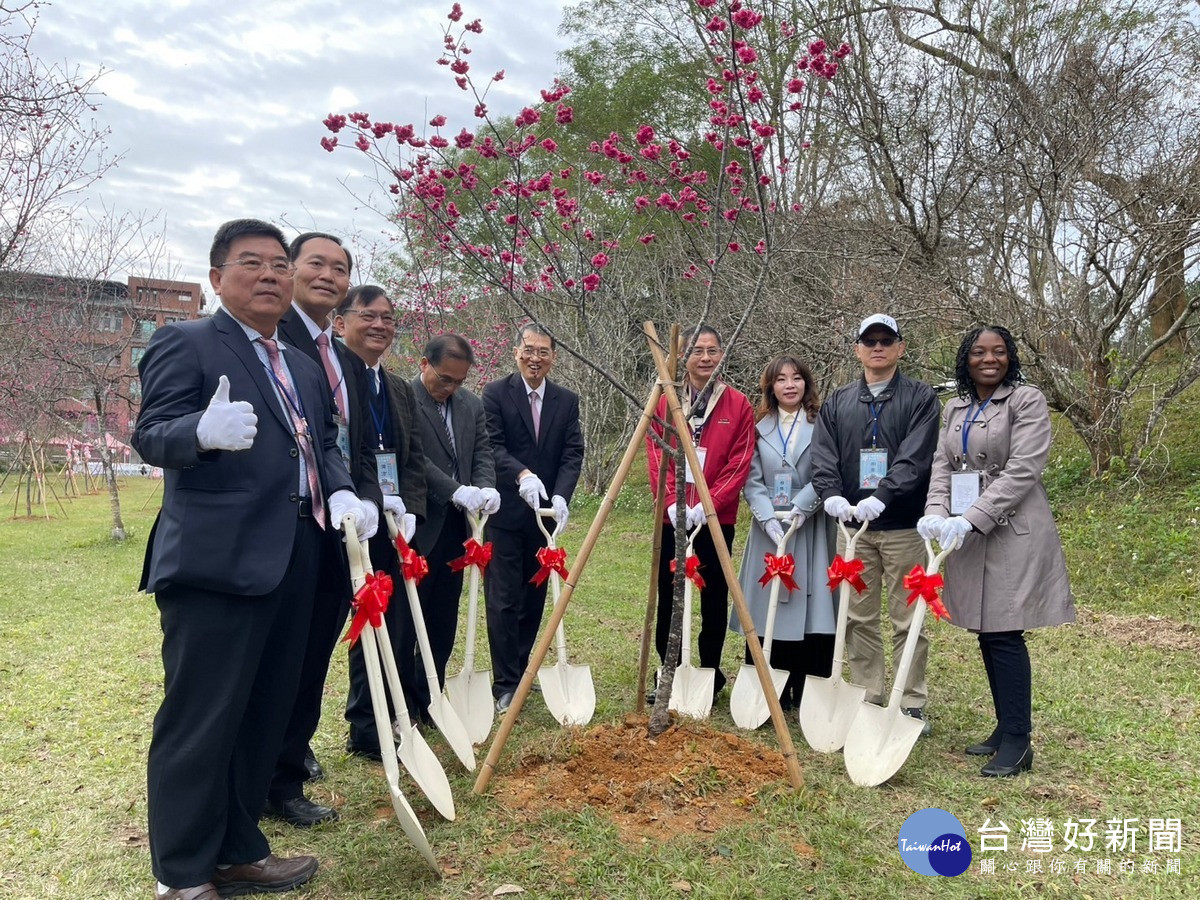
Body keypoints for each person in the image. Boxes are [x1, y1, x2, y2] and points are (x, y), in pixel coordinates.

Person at [133, 218, 377, 899]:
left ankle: (238, 849)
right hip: (218, 563)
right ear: (217, 278)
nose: (269, 275)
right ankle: (181, 875)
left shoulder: (298, 363)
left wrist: (345, 491)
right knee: (203, 719)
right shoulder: (184, 341)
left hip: (298, 552)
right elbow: (150, 433)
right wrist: (198, 433)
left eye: (277, 264)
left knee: (264, 714)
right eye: (252, 264)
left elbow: (322, 443)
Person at [265, 233, 386, 827]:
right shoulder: (270, 336)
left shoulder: (343, 359)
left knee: (312, 660)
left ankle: (285, 773)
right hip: (281, 531)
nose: (328, 275)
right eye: (317, 263)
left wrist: (367, 500)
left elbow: (354, 447)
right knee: (278, 663)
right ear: (291, 269)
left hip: (337, 534)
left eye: (340, 268)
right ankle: (264, 775)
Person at [918, 325, 1074, 777]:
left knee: (1005, 631)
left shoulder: (1027, 401)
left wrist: (972, 517)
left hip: (1010, 529)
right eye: (979, 352)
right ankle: (1005, 728)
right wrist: (936, 511)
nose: (990, 359)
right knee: (987, 630)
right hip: (968, 531)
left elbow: (1024, 468)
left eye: (999, 352)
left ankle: (1020, 740)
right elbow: (943, 464)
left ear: (1010, 358)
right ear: (965, 359)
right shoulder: (955, 407)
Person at [810, 313, 940, 733]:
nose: (878, 347)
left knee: (908, 617)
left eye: (887, 340)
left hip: (903, 525)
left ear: (901, 348)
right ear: (858, 350)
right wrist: (830, 493)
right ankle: (868, 695)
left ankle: (910, 700)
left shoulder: (921, 398)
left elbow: (916, 457)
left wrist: (883, 496)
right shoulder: (839, 400)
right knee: (856, 616)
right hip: (852, 530)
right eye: (870, 341)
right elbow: (823, 452)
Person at [331, 285, 429, 755]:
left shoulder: (396, 387)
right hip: (342, 517)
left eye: (388, 318)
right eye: (368, 316)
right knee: (342, 626)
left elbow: (411, 456)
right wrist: (367, 498)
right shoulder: (327, 375)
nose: (379, 326)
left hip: (390, 523)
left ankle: (378, 719)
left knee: (387, 620)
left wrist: (406, 506)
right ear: (340, 322)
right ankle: (348, 728)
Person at [646, 324, 755, 701]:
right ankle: (667, 669)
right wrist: (674, 502)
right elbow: (657, 452)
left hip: (715, 518)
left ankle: (709, 669)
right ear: (683, 356)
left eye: (712, 350)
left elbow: (739, 461)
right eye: (697, 351)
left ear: (721, 355)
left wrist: (707, 505)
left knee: (713, 596)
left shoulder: (737, 404)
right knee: (669, 592)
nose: (705, 358)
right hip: (672, 518)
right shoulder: (665, 401)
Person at [482, 323, 584, 712]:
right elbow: (492, 445)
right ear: (516, 352)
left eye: (543, 351)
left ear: (553, 357)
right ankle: (505, 682)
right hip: (506, 513)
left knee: (533, 596)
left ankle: (522, 670)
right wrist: (521, 475)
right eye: (529, 349)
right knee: (503, 598)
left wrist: (560, 494)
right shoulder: (495, 393)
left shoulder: (566, 400)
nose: (535, 358)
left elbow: (572, 452)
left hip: (544, 518)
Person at [731, 355, 836, 711]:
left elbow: (826, 472)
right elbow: (751, 478)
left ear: (806, 383)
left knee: (811, 605)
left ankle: (805, 690)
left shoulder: (822, 424)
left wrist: (800, 509)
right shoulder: (757, 426)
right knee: (768, 604)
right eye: (781, 379)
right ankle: (767, 686)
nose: (789, 385)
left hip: (808, 526)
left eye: (796, 378)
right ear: (770, 387)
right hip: (769, 528)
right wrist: (767, 517)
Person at [408, 332, 498, 717]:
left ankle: (431, 697)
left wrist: (486, 488)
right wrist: (455, 490)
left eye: (459, 381)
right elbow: (414, 458)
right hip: (417, 526)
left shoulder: (470, 406)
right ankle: (403, 704)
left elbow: (482, 451)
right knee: (407, 621)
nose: (450, 388)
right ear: (425, 363)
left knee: (443, 618)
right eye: (444, 378)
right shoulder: (405, 398)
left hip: (457, 531)